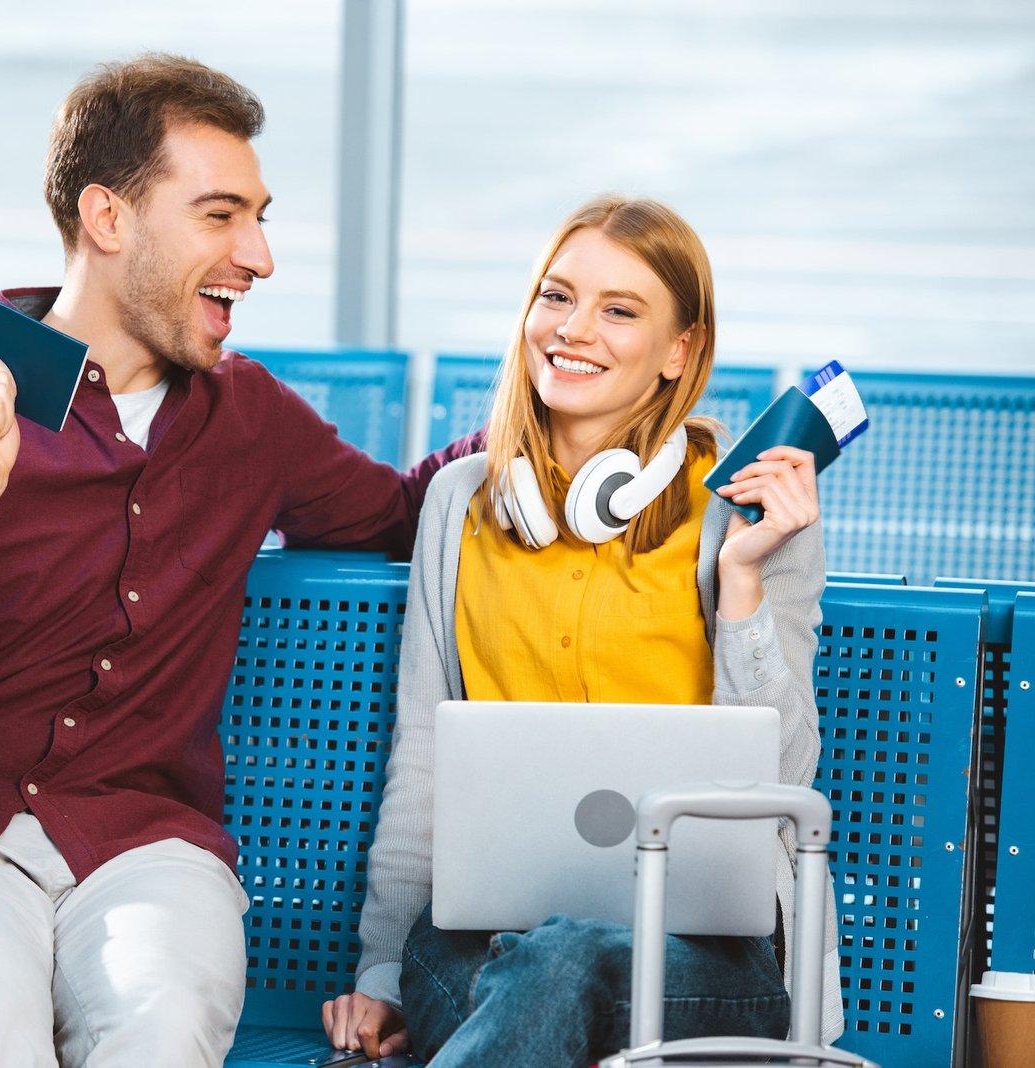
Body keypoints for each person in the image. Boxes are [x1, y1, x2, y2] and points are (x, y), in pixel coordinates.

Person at [0, 53, 478, 1068]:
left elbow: (400, 512)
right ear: (108, 219)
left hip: (142, 851)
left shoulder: (249, 420)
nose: (258, 255)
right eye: (219, 215)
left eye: (258, 216)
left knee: (160, 1031)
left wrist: (556, 421)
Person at [320, 194, 845, 1067]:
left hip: (707, 962)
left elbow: (782, 780)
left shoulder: (742, 510)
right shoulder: (460, 505)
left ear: (680, 351)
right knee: (545, 970)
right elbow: (423, 760)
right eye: (556, 297)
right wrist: (380, 971)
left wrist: (743, 580)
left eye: (619, 310)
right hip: (482, 941)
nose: (573, 329)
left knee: (563, 964)